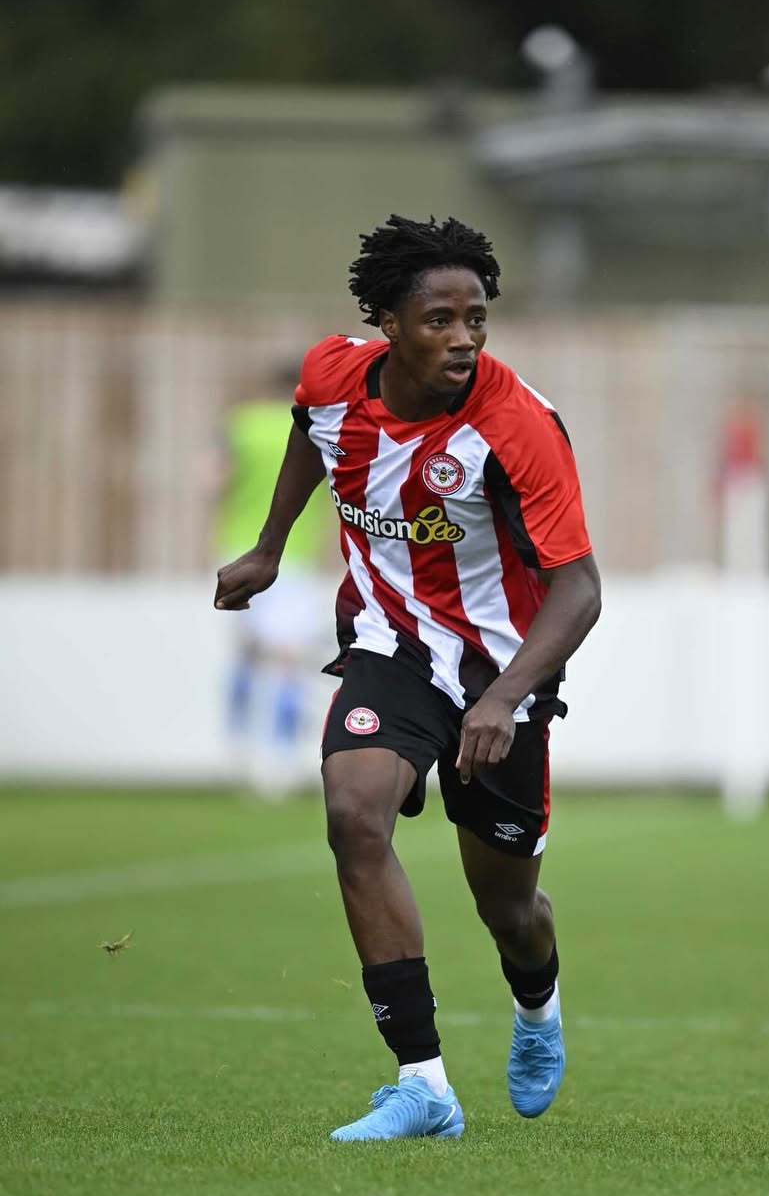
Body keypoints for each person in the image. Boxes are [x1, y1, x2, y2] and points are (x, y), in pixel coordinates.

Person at [214, 214, 602, 1141]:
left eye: (477, 318)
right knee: (354, 813)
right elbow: (318, 433)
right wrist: (272, 547)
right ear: (387, 320)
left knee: (508, 908)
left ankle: (538, 1009)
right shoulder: (330, 375)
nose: (464, 338)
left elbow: (579, 589)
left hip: (501, 670)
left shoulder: (519, 427)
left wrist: (506, 697)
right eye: (440, 319)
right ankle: (423, 1083)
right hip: (390, 650)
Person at [211, 368, 333, 799]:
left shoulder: (241, 424)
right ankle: (279, 767)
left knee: (246, 654)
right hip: (290, 557)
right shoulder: (316, 428)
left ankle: (236, 753)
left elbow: (213, 481)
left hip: (236, 549)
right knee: (287, 659)